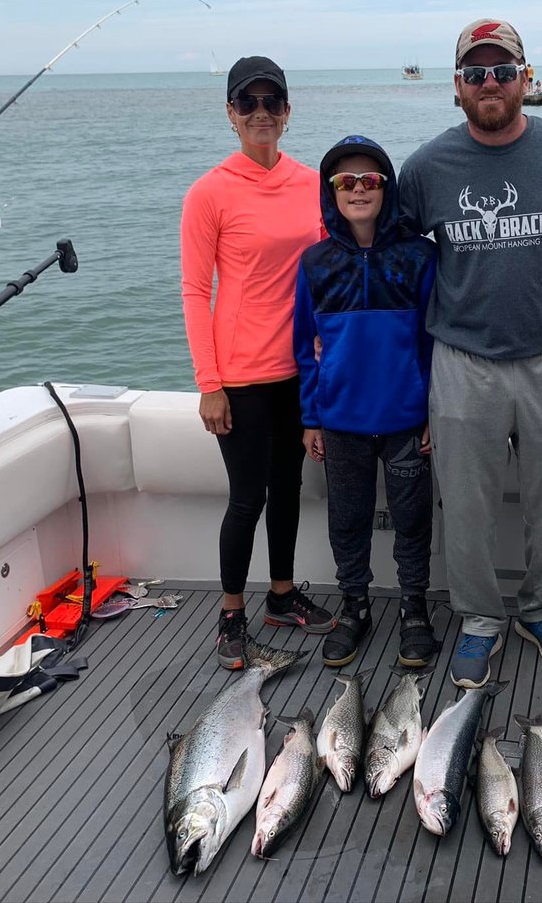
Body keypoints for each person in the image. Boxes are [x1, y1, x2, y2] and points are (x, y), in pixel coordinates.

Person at [398, 17, 542, 688]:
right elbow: (401, 265)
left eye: (500, 70)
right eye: (473, 73)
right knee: (465, 506)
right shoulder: (426, 168)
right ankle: (480, 617)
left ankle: (540, 610)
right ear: (456, 87)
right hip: (461, 362)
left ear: (524, 77)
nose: (487, 83)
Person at [180, 56, 336, 670]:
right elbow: (196, 291)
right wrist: (208, 384)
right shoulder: (210, 191)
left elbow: (329, 272)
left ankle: (281, 594)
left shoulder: (310, 183)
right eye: (249, 104)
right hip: (240, 377)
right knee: (247, 496)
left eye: (273, 103)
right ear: (231, 114)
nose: (262, 114)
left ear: (288, 113)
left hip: (297, 370)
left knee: (290, 488)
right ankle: (230, 613)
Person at [294, 135, 440, 669]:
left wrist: (430, 410)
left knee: (412, 520)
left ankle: (414, 609)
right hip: (340, 423)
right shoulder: (313, 263)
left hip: (405, 421)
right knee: (348, 520)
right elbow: (302, 349)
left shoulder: (418, 257)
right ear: (330, 192)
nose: (359, 190)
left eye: (370, 181)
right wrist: (311, 416)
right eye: (346, 182)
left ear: (387, 188)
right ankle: (354, 605)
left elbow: (431, 342)